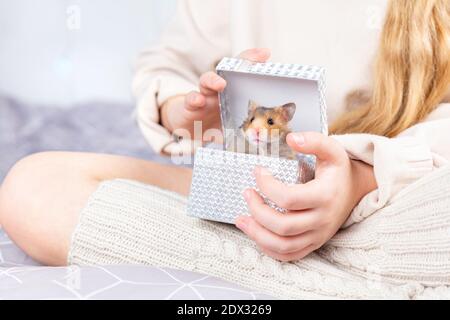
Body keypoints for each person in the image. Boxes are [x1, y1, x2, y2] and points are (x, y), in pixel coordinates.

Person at [0, 0, 449, 298]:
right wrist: (185, 111)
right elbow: (168, 63)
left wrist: (362, 176)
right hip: (253, 187)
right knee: (32, 188)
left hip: (399, 191)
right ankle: (365, 283)